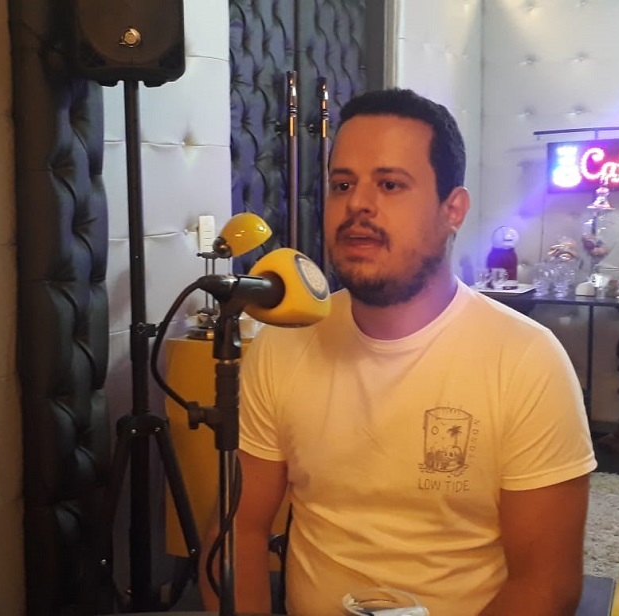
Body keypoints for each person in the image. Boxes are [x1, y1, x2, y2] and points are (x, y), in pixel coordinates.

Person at [200, 88, 596, 615]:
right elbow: (238, 530)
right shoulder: (284, 342)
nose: (357, 204)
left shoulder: (526, 361)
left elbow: (546, 585)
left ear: (453, 209)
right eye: (343, 184)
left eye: (389, 184)